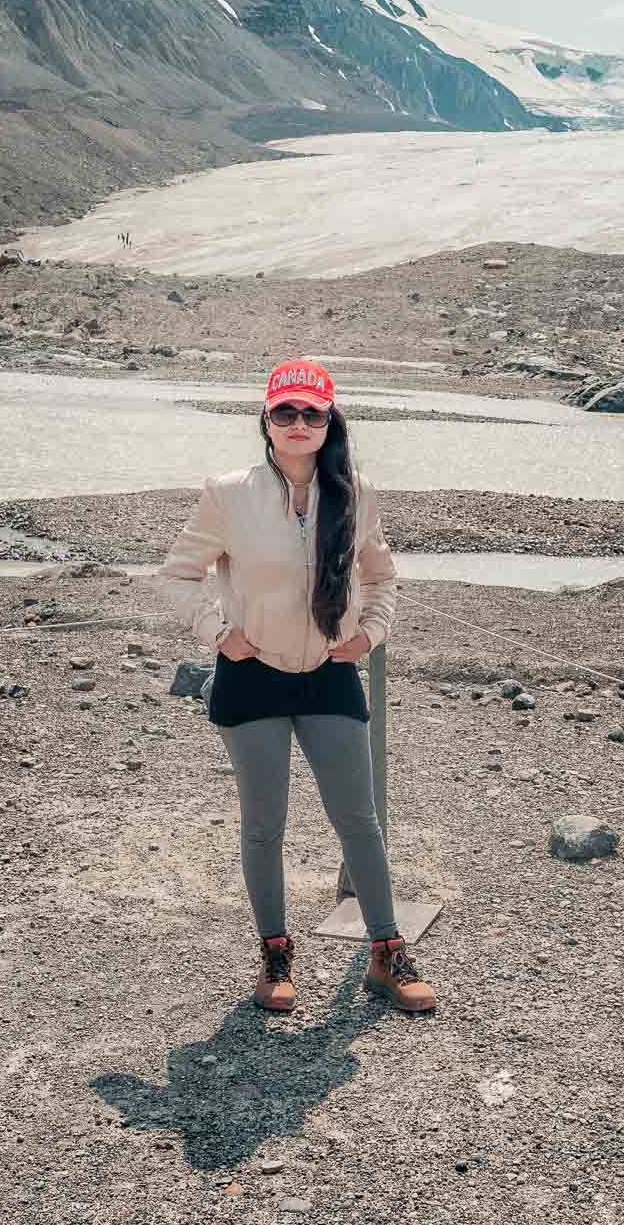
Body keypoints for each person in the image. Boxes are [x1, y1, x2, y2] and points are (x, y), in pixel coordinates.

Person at [158, 358, 436, 1016]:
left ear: (329, 419)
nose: (299, 423)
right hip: (250, 677)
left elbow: (383, 577)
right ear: (267, 420)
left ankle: (385, 952)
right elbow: (177, 574)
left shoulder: (357, 493)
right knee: (264, 825)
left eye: (312, 412)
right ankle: (275, 954)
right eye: (286, 412)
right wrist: (219, 634)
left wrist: (370, 635)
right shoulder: (227, 493)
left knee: (359, 821)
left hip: (330, 676)